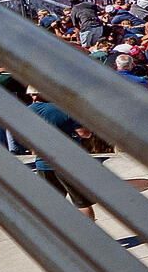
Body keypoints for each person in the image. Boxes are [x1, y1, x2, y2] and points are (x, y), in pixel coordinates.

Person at [27, 86, 96, 220]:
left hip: (43, 164)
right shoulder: (64, 109)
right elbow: (84, 134)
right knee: (82, 203)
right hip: (67, 163)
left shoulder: (27, 111)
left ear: (31, 95)